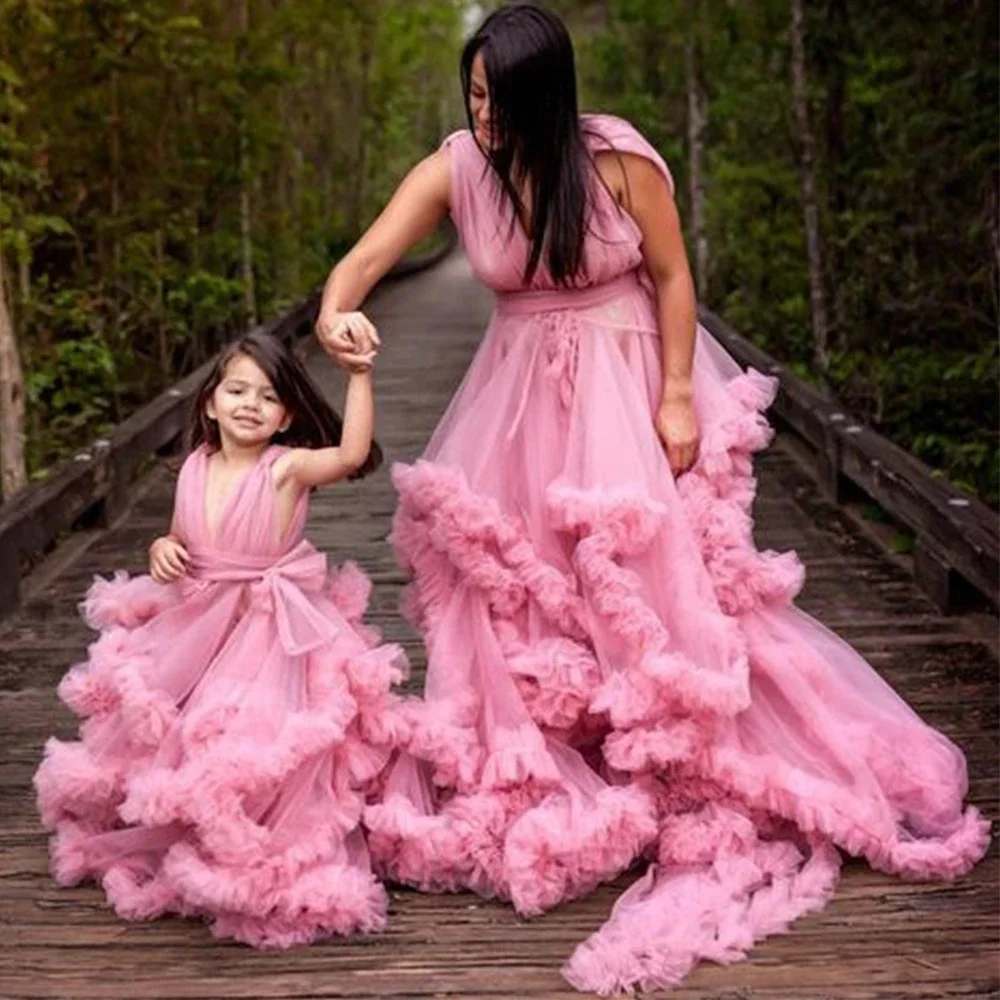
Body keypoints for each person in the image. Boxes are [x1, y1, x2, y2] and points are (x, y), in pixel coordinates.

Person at [315, 3, 990, 993]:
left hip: (627, 381)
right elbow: (363, 263)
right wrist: (336, 312)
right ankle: (574, 759)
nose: (482, 116)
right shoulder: (455, 164)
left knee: (645, 576)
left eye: (499, 101)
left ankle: (671, 757)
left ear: (549, 99)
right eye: (471, 96)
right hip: (516, 390)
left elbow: (672, 278)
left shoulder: (620, 162)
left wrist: (677, 393)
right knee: (520, 582)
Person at [34, 331, 406, 949]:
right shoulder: (195, 467)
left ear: (286, 415)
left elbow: (348, 453)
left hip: (266, 629)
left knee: (253, 737)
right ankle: (190, 826)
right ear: (210, 401)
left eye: (267, 397)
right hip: (196, 622)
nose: (249, 404)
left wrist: (360, 375)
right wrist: (162, 547)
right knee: (178, 726)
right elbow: (180, 536)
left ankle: (258, 834)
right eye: (236, 390)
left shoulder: (284, 468)